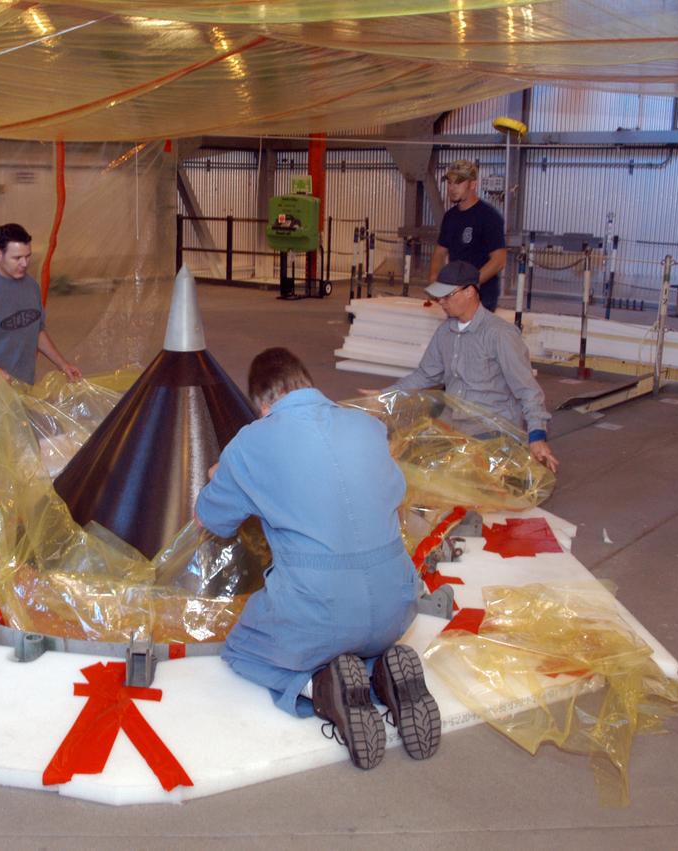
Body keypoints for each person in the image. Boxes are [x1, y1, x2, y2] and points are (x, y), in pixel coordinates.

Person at [195, 348, 439, 770]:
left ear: (264, 404)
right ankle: (378, 675)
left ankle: (321, 687)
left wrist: (223, 475)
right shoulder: (369, 427)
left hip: (319, 611)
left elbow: (212, 519)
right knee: (355, 621)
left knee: (241, 650)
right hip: (397, 606)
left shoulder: (252, 442)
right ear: (307, 381)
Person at [372, 261, 559, 472]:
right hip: (454, 422)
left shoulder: (499, 334)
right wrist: (384, 396)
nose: (441, 302)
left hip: (492, 428)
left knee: (454, 476)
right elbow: (425, 375)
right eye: (438, 297)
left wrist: (537, 436)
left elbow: (528, 390)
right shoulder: (445, 333)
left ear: (470, 292)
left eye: (447, 296)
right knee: (406, 459)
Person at [0, 222, 81, 385]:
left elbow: (36, 330)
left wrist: (63, 364)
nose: (24, 264)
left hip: (22, 386)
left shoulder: (31, 286)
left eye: (28, 256)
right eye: (17, 258)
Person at [431, 159, 506, 312]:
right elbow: (440, 252)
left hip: (481, 297)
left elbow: (499, 260)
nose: (452, 188)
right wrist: (434, 279)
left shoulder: (489, 217)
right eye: (450, 183)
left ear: (473, 184)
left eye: (458, 183)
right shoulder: (450, 217)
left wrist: (471, 284)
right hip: (456, 295)